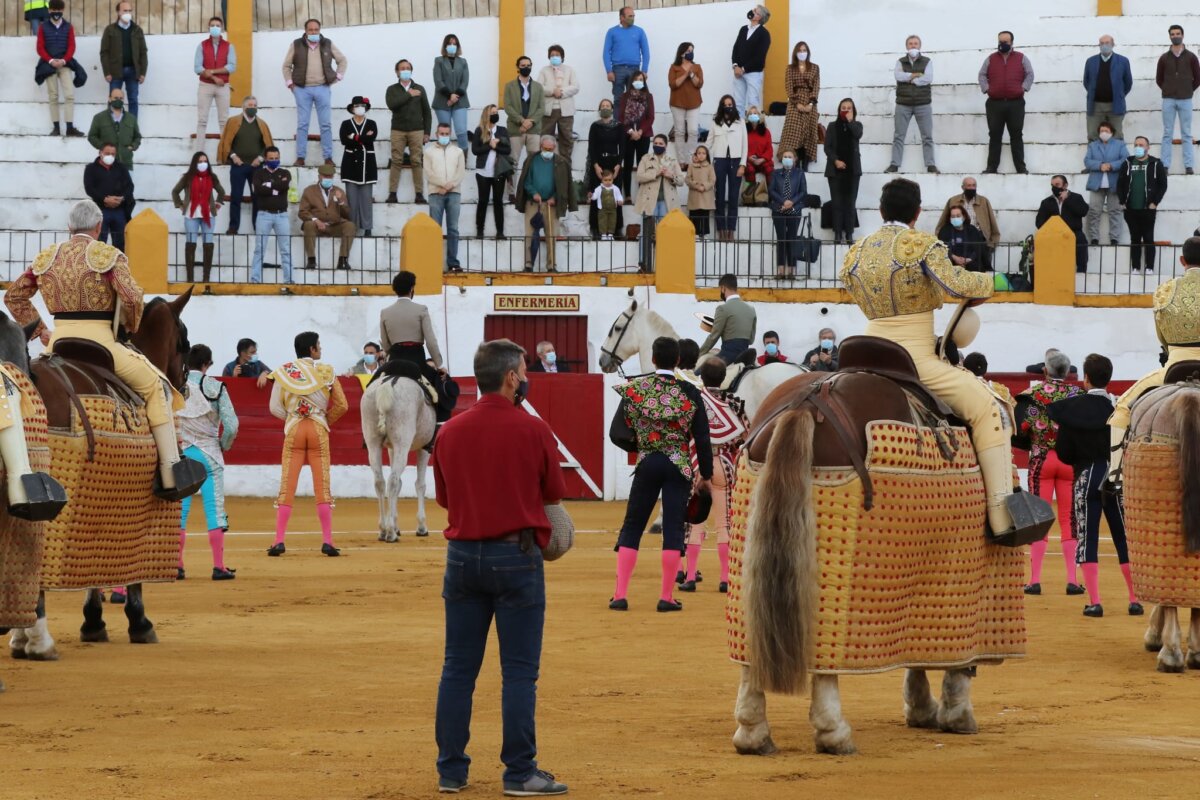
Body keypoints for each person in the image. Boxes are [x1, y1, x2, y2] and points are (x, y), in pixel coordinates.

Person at [840, 178, 1053, 541]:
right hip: (912, 359)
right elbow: (955, 284)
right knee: (990, 407)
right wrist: (995, 283)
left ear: (880, 211)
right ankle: (1003, 517)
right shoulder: (920, 244)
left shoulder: (856, 251)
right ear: (918, 212)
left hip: (863, 351)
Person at [432, 339, 568, 797]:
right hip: (517, 557)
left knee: (457, 670)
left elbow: (446, 498)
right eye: (524, 369)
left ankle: (451, 772)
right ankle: (519, 773)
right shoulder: (533, 430)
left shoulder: (449, 430)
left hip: (463, 557)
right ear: (511, 377)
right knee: (519, 673)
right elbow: (553, 492)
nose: (526, 375)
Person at [7, 199, 206, 502]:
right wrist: (130, 327)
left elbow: (14, 297)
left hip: (58, 343)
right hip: (102, 344)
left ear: (69, 227)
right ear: (99, 227)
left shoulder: (46, 258)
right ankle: (170, 471)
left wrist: (41, 330)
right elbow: (133, 297)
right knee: (158, 388)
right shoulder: (108, 255)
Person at [612, 336, 712, 613]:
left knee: (633, 526)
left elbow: (617, 433)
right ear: (678, 360)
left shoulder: (636, 389)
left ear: (653, 359)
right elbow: (702, 437)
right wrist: (706, 472)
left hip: (647, 463)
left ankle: (620, 595)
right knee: (672, 529)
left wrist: (642, 445)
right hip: (678, 464)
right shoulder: (690, 392)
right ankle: (666, 597)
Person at [1048, 353, 1141, 617]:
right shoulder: (1119, 407)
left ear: (1086, 379)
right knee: (1123, 537)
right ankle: (1135, 599)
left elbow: (1064, 452)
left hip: (1086, 477)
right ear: (1108, 378)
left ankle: (1096, 602)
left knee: (1087, 537)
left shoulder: (1071, 408)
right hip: (1114, 478)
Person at [1108, 238, 1200, 484]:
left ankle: (1116, 476)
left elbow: (1162, 335)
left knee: (1122, 410)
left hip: (1174, 364)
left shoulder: (1166, 290)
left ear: (1182, 261)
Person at [266, 331, 348, 558]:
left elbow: (274, 408)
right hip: (318, 429)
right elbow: (342, 405)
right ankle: (328, 541)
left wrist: (293, 419)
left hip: (294, 430)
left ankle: (279, 541)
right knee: (322, 486)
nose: (320, 348)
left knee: (287, 485)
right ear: (312, 349)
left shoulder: (284, 372)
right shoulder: (326, 371)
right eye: (318, 345)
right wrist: (322, 420)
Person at [1018, 349, 1085, 596]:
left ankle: (1034, 581)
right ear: (1068, 373)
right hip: (1069, 463)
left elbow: (1022, 428)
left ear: (1045, 371)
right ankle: (1072, 581)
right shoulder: (1077, 395)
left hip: (1042, 461)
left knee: (1039, 520)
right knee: (1070, 520)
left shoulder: (1033, 395)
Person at [680, 358, 747, 593]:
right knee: (725, 524)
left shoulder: (693, 401)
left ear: (702, 376)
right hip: (725, 465)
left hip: (697, 464)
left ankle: (689, 576)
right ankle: (725, 578)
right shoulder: (734, 403)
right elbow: (743, 437)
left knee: (694, 523)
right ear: (723, 378)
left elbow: (684, 432)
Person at [176, 344, 238, 582]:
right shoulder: (215, 387)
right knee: (215, 511)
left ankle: (177, 565)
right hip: (210, 456)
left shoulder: (175, 388)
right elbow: (232, 425)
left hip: (181, 456)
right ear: (208, 364)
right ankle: (218, 566)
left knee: (179, 512)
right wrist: (223, 444)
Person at [282, 18, 346, 166]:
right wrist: (291, 84)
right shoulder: (296, 44)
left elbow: (342, 60)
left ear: (319, 30)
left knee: (325, 124)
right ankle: (300, 157)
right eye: (310, 30)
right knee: (302, 124)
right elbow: (286, 66)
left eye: (316, 30)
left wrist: (338, 76)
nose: (313, 32)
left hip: (322, 88)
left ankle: (328, 157)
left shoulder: (327, 43)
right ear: (305, 31)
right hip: (302, 89)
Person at [515, 135, 576, 273]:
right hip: (533, 203)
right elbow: (526, 181)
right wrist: (534, 193)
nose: (548, 150)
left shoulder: (561, 162)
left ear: (554, 148)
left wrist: (555, 197)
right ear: (540, 146)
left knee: (551, 236)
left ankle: (551, 266)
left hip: (551, 204)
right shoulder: (531, 160)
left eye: (550, 148)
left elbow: (563, 185)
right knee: (529, 235)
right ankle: (528, 265)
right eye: (545, 148)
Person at [380, 271, 446, 394]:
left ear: (395, 290)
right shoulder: (421, 310)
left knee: (370, 386)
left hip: (395, 360)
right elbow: (431, 342)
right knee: (443, 390)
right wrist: (439, 365)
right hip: (416, 360)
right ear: (412, 288)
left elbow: (385, 343)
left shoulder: (385, 312)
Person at [978, 30, 1034, 175]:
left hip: (1016, 103)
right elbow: (982, 75)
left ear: (1012, 43)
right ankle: (992, 167)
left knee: (1016, 135)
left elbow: (1030, 74)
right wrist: (987, 89)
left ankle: (1021, 168)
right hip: (994, 103)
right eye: (1000, 41)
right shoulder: (991, 58)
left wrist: (1023, 88)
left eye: (1006, 41)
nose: (1002, 44)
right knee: (995, 135)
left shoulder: (1021, 58)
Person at [218, 96, 273, 235]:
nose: (252, 107)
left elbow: (267, 146)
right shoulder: (233, 122)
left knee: (258, 197)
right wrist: (233, 156)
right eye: (250, 105)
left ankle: (257, 227)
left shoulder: (262, 124)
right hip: (238, 166)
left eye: (255, 105)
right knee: (236, 196)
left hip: (257, 167)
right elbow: (226, 142)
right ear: (243, 107)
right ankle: (233, 227)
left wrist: (260, 158)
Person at [170, 151, 224, 284]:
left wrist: (218, 203)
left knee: (208, 243)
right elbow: (175, 191)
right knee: (191, 243)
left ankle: (206, 278)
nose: (203, 164)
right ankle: (190, 278)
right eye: (200, 162)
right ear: (195, 163)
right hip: (191, 214)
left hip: (208, 214)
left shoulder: (212, 177)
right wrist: (180, 205)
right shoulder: (187, 177)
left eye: (205, 161)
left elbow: (221, 191)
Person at [1118, 135, 1169, 272]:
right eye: (1136, 145)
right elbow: (1120, 183)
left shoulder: (1156, 163)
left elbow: (1163, 185)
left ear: (1148, 147)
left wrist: (1155, 203)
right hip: (1130, 209)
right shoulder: (1127, 163)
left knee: (1148, 238)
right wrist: (1122, 201)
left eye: (1141, 145)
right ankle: (1135, 267)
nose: (1138, 147)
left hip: (1148, 209)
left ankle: (1149, 267)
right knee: (1134, 238)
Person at [889, 34, 937, 174]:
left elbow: (927, 78)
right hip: (903, 103)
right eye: (910, 43)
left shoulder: (927, 61)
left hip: (923, 103)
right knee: (899, 135)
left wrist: (909, 78)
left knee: (927, 136)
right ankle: (894, 164)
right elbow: (898, 76)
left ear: (919, 46)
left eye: (915, 43)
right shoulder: (900, 61)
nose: (913, 45)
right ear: (906, 46)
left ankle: (930, 164)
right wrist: (915, 75)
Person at [385, 60, 431, 205]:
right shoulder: (392, 89)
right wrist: (409, 95)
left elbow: (427, 112)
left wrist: (427, 132)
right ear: (397, 72)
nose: (405, 70)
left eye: (408, 68)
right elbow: (392, 105)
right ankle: (392, 193)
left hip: (416, 130)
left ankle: (419, 194)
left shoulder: (420, 89)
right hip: (398, 130)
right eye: (402, 68)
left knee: (416, 161)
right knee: (396, 161)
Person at [634, 134, 683, 271]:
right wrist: (655, 173)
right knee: (645, 233)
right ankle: (642, 264)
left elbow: (681, 181)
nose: (658, 145)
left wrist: (670, 175)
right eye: (655, 143)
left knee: (665, 234)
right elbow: (639, 177)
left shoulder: (672, 160)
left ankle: (665, 264)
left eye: (661, 143)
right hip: (649, 201)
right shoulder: (645, 158)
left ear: (666, 145)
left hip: (666, 202)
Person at [1157, 24, 1200, 174]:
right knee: (1167, 132)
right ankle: (1164, 165)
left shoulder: (1191, 57)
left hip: (1186, 99)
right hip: (1168, 99)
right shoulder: (1164, 58)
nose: (1175, 36)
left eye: (1178, 33)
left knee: (1186, 133)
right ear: (1169, 36)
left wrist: (1187, 90)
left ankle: (1188, 165)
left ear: (1183, 35)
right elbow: (1159, 79)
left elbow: (1197, 78)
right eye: (1173, 34)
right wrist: (1168, 89)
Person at [37, 0, 83, 138]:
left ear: (63, 10)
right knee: (53, 96)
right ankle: (56, 128)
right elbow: (40, 47)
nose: (56, 12)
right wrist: (51, 60)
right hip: (49, 65)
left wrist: (63, 60)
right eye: (53, 10)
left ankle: (69, 127)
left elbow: (71, 46)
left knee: (69, 95)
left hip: (64, 64)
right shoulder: (42, 27)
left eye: (59, 10)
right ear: (49, 10)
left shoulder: (68, 27)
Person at [425, 122, 466, 273]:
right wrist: (443, 184)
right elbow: (429, 173)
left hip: (454, 193)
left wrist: (450, 186)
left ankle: (453, 262)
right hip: (435, 193)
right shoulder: (428, 152)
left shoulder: (458, 151)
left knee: (453, 229)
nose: (444, 136)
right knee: (435, 229)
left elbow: (461, 172)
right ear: (436, 134)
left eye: (446, 134)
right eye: (441, 134)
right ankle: (433, 262)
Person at [300, 164, 356, 271]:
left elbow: (347, 214)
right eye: (325, 176)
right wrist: (316, 220)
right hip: (317, 226)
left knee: (350, 226)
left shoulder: (339, 191)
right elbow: (302, 212)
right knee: (308, 225)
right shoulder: (309, 191)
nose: (328, 178)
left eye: (330, 176)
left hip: (335, 225)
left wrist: (340, 201)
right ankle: (311, 260)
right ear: (319, 176)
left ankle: (343, 260)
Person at [250, 145, 293, 284]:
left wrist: (268, 186)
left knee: (285, 250)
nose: (274, 160)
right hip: (264, 215)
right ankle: (255, 279)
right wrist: (275, 189)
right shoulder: (258, 174)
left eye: (276, 158)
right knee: (259, 249)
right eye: (271, 158)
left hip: (282, 215)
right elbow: (258, 190)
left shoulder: (285, 172)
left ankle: (289, 280)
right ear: (266, 159)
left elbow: (284, 186)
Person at [194, 16, 236, 153]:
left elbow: (231, 66)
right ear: (208, 28)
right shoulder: (202, 45)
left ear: (222, 28)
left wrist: (211, 71)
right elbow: (197, 68)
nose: (215, 28)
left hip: (223, 86)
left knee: (224, 121)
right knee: (202, 121)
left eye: (218, 25)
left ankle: (224, 153)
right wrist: (213, 77)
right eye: (212, 25)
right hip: (205, 86)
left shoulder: (229, 46)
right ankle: (199, 153)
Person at [586, 98, 627, 239]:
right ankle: (596, 228)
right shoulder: (595, 126)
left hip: (614, 162)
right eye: (602, 105)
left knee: (616, 196)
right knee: (596, 197)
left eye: (607, 105)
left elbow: (622, 147)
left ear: (612, 109)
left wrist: (618, 164)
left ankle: (617, 229)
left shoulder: (619, 126)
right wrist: (596, 165)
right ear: (599, 109)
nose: (605, 107)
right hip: (598, 163)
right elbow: (591, 147)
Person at [825, 97, 863, 245]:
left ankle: (849, 233)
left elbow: (858, 134)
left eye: (849, 108)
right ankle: (837, 233)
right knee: (837, 203)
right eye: (843, 108)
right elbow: (827, 147)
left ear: (853, 111)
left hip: (853, 171)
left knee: (850, 203)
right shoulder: (832, 126)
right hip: (835, 171)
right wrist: (836, 160)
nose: (846, 110)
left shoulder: (857, 125)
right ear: (839, 110)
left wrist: (850, 121)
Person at [83, 143, 134, 251]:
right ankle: (98, 266)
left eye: (113, 154)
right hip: (100, 211)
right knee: (99, 242)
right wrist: (104, 199)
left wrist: (122, 198)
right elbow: (89, 188)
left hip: (119, 211)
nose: (110, 156)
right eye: (107, 153)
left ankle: (119, 266)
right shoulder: (91, 168)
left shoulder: (121, 168)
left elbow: (130, 186)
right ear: (100, 153)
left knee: (121, 242)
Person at [100, 2, 147, 119]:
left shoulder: (137, 30)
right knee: (113, 101)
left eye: (130, 11)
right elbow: (104, 52)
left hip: (133, 72)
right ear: (118, 12)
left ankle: (132, 130)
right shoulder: (110, 30)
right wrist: (107, 72)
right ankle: (111, 128)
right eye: (125, 11)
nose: (128, 13)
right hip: (115, 72)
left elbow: (143, 52)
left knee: (133, 100)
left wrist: (142, 73)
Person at [1084, 122, 1129, 245]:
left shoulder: (1120, 144)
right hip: (1096, 183)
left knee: (1115, 210)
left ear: (1112, 132)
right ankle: (1094, 237)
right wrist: (1099, 166)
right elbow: (1087, 161)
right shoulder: (1093, 145)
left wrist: (1111, 166)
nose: (1104, 133)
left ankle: (1114, 237)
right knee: (1094, 210)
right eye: (1101, 131)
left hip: (1114, 182)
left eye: (1106, 131)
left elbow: (1125, 159)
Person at [339, 95, 378, 237]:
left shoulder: (371, 123)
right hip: (350, 165)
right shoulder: (345, 124)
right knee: (352, 199)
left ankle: (367, 227)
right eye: (356, 106)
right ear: (352, 108)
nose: (359, 108)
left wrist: (353, 137)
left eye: (362, 105)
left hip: (367, 165)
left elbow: (371, 138)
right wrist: (361, 138)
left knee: (366, 198)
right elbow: (344, 140)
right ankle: (352, 227)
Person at [472, 104, 513, 239]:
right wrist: (489, 145)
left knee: (498, 201)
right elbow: (475, 150)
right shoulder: (479, 130)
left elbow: (507, 150)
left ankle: (500, 232)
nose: (496, 115)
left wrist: (496, 147)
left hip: (498, 171)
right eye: (493, 113)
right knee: (483, 201)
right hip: (483, 172)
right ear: (486, 115)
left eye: (496, 112)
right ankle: (479, 231)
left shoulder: (502, 130)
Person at [710, 95, 747, 242]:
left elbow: (745, 145)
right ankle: (721, 229)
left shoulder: (740, 122)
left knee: (733, 197)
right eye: (725, 104)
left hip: (736, 160)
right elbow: (709, 143)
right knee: (719, 196)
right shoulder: (715, 122)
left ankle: (731, 229)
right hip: (719, 160)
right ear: (721, 106)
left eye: (730, 104)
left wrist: (742, 164)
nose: (728, 106)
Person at [1036, 175, 1090, 273]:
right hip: (1054, 235)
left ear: (1065, 185)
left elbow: (1083, 211)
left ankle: (1081, 272)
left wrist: (1067, 199)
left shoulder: (1076, 197)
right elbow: (1039, 222)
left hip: (1074, 233)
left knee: (1081, 240)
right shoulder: (1046, 202)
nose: (1054, 188)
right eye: (1052, 185)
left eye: (1057, 185)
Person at [504, 55, 545, 184]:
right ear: (518, 67)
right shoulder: (509, 86)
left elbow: (541, 108)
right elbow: (508, 107)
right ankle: (511, 192)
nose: (526, 68)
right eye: (523, 66)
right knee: (513, 161)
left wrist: (530, 122)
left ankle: (532, 191)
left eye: (528, 65)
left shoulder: (538, 87)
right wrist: (522, 121)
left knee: (534, 162)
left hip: (534, 130)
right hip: (516, 129)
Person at [1083, 34, 1132, 141]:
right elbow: (1086, 82)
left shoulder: (1123, 61)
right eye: (1102, 43)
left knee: (1117, 135)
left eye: (1107, 43)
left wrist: (1119, 95)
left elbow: (1128, 82)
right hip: (1095, 106)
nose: (1104, 45)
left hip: (1115, 105)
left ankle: (1117, 158)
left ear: (1113, 44)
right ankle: (1094, 158)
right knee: (1093, 135)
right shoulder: (1091, 61)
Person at [934, 177, 1000, 257]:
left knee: (979, 267)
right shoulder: (953, 200)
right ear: (963, 187)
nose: (972, 188)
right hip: (958, 238)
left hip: (978, 239)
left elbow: (992, 222)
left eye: (974, 185)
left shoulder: (983, 201)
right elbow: (943, 220)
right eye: (969, 186)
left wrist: (991, 244)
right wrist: (938, 239)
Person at [778, 41, 820, 168]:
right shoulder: (790, 68)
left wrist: (811, 104)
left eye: (804, 50)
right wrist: (797, 104)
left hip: (810, 101)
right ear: (796, 53)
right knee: (793, 129)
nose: (802, 53)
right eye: (800, 50)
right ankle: (792, 159)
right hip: (794, 102)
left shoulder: (814, 67)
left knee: (808, 129)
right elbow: (789, 86)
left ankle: (805, 160)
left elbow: (816, 86)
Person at [700, 274, 756, 363]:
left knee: (698, 374)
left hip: (728, 355)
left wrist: (699, 353)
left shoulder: (722, 309)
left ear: (723, 288)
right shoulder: (751, 309)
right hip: (745, 356)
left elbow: (714, 337)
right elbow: (751, 340)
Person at [617, 70, 655, 200]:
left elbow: (650, 117)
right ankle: (627, 195)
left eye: (641, 79)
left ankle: (641, 194)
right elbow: (621, 117)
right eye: (636, 79)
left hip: (643, 135)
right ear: (631, 81)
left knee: (642, 165)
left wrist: (640, 131)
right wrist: (630, 131)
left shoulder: (649, 97)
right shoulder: (625, 96)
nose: (639, 82)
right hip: (627, 135)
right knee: (627, 165)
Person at [769, 148, 806, 278]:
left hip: (794, 209)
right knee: (781, 239)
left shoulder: (800, 173)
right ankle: (780, 270)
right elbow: (772, 191)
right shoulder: (776, 173)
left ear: (795, 159)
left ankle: (791, 270)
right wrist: (783, 202)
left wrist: (791, 202)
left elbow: (803, 192)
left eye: (790, 156)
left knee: (792, 239)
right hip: (779, 209)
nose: (787, 158)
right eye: (785, 156)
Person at [539, 44, 579, 163]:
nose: (554, 57)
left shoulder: (569, 70)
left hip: (566, 111)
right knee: (546, 138)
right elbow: (538, 87)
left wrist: (561, 92)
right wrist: (552, 91)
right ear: (549, 57)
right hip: (548, 110)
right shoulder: (544, 70)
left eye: (557, 55)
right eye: (552, 55)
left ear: (562, 56)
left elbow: (576, 87)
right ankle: (545, 163)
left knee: (567, 139)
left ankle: (565, 167)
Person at [432, 34, 470, 155]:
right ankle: (444, 157)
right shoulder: (439, 61)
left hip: (460, 101)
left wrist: (454, 97)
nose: (452, 46)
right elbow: (438, 81)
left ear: (458, 46)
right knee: (444, 132)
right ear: (445, 46)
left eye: (454, 44)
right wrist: (449, 95)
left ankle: (463, 158)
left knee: (461, 131)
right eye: (449, 44)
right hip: (442, 101)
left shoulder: (463, 62)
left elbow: (465, 82)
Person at [603, 6, 649, 106]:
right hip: (618, 70)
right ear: (622, 17)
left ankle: (632, 121)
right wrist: (609, 71)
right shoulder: (612, 32)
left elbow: (646, 52)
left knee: (634, 98)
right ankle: (617, 122)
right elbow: (606, 52)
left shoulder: (639, 31)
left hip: (635, 70)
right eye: (630, 16)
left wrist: (644, 70)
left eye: (633, 16)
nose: (632, 18)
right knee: (618, 100)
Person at [731, 5, 771, 117]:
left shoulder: (764, 34)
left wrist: (743, 69)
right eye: (753, 10)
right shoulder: (743, 29)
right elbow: (736, 48)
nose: (752, 12)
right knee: (738, 102)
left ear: (759, 17)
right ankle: (740, 130)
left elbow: (760, 56)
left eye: (755, 11)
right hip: (738, 72)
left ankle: (753, 130)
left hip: (753, 73)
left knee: (753, 103)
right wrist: (735, 66)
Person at [87, 87, 141, 170]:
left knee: (126, 183)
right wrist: (103, 147)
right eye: (115, 98)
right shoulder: (99, 117)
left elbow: (137, 137)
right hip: (106, 164)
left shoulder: (131, 118)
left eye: (121, 98)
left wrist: (132, 147)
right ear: (109, 99)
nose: (118, 100)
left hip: (126, 164)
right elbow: (92, 136)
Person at [668, 42, 704, 165]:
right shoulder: (674, 67)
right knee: (679, 132)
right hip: (677, 103)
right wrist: (685, 74)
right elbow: (674, 84)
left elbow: (699, 84)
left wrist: (692, 73)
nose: (691, 53)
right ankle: (682, 161)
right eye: (688, 50)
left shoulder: (697, 67)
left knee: (693, 131)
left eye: (692, 50)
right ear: (682, 52)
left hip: (694, 103)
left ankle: (690, 160)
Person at [938, 203, 990, 272]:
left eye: (958, 216)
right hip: (951, 265)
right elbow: (941, 248)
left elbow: (979, 248)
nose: (955, 218)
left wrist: (968, 259)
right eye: (953, 216)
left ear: (964, 217)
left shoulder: (972, 230)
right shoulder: (944, 231)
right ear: (949, 218)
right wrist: (955, 258)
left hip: (972, 264)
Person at [743, 106, 773, 204]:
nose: (753, 115)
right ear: (747, 117)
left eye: (755, 113)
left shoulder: (766, 132)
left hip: (762, 160)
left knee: (769, 170)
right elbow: (741, 147)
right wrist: (749, 158)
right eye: (750, 114)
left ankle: (772, 196)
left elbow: (769, 149)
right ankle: (749, 197)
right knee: (749, 170)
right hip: (749, 160)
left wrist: (762, 159)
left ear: (760, 116)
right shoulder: (744, 131)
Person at [686, 145, 715, 239]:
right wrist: (696, 185)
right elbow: (687, 179)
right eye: (699, 153)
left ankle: (704, 234)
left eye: (703, 153)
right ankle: (694, 234)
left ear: (707, 155)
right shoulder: (691, 166)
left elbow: (712, 180)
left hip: (706, 195)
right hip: (694, 195)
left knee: (704, 215)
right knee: (694, 214)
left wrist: (704, 186)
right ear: (695, 155)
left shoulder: (710, 167)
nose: (701, 155)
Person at [591, 169, 624, 241]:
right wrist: (591, 196)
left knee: (612, 221)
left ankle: (610, 234)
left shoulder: (615, 188)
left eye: (610, 180)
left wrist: (620, 201)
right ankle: (603, 234)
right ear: (602, 180)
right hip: (602, 209)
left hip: (613, 210)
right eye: (605, 180)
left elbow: (619, 196)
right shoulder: (599, 188)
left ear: (613, 179)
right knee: (602, 221)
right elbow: (595, 197)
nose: (608, 182)